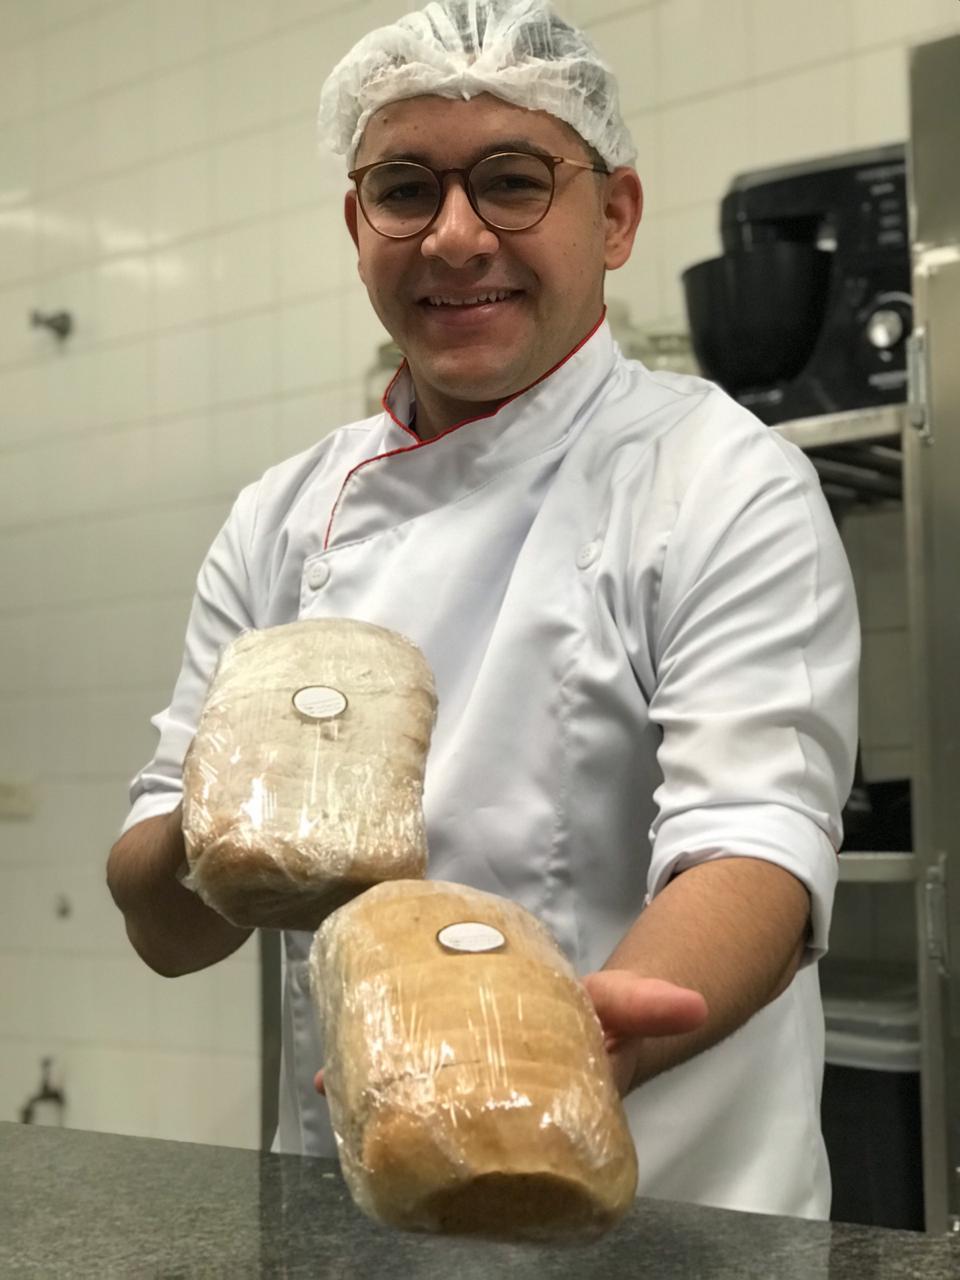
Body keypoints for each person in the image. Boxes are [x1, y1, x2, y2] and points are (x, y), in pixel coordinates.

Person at [107, 0, 858, 1219]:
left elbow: (755, 848)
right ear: (359, 226)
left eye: (513, 181)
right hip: (352, 1209)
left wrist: (557, 1047)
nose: (455, 238)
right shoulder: (279, 516)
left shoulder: (721, 478)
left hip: (668, 1213)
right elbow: (167, 927)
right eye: (405, 190)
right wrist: (218, 829)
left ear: (614, 216)